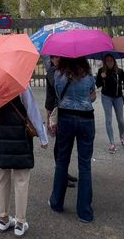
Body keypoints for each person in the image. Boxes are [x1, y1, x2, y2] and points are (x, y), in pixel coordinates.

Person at [0, 89, 49, 237]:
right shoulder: (20, 83)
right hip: (19, 137)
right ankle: (20, 223)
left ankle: (3, 219)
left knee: (1, 178)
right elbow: (32, 110)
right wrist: (42, 137)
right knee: (21, 179)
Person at [48, 57, 96, 224]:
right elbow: (92, 97)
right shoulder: (88, 75)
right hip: (86, 118)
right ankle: (84, 212)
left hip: (66, 117)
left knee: (62, 161)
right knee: (85, 165)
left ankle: (57, 202)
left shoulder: (58, 75)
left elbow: (58, 95)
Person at [44, 55, 78, 188]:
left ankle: (64, 171)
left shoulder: (63, 71)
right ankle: (61, 174)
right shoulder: (53, 73)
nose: (57, 59)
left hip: (63, 111)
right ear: (51, 60)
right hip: (56, 111)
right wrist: (48, 119)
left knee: (65, 144)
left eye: (59, 57)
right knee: (60, 146)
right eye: (55, 58)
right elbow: (51, 96)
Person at [95, 54, 124, 153]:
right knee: (108, 120)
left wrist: (122, 86)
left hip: (118, 97)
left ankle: (122, 136)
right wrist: (102, 78)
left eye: (111, 60)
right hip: (106, 97)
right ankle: (112, 143)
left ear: (114, 61)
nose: (110, 62)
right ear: (105, 62)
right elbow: (97, 84)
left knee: (120, 120)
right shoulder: (101, 71)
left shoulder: (119, 71)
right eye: (107, 60)